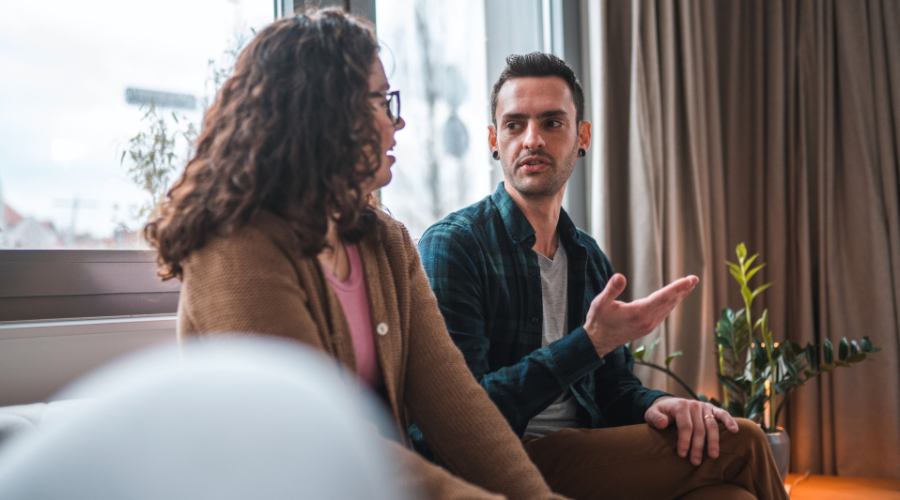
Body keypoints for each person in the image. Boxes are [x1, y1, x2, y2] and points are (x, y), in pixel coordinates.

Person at [144, 11, 561, 499]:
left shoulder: (384, 240)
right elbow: (316, 441)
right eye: (382, 101)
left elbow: (459, 407)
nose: (397, 120)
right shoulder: (235, 246)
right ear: (324, 112)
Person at [417, 52, 789, 500]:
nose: (531, 139)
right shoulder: (455, 246)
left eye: (552, 123)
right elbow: (463, 413)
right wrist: (588, 343)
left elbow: (615, 390)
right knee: (744, 440)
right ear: (495, 139)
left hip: (586, 453)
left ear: (582, 136)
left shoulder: (587, 257)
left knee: (732, 497)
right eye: (515, 125)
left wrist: (660, 403)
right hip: (506, 459)